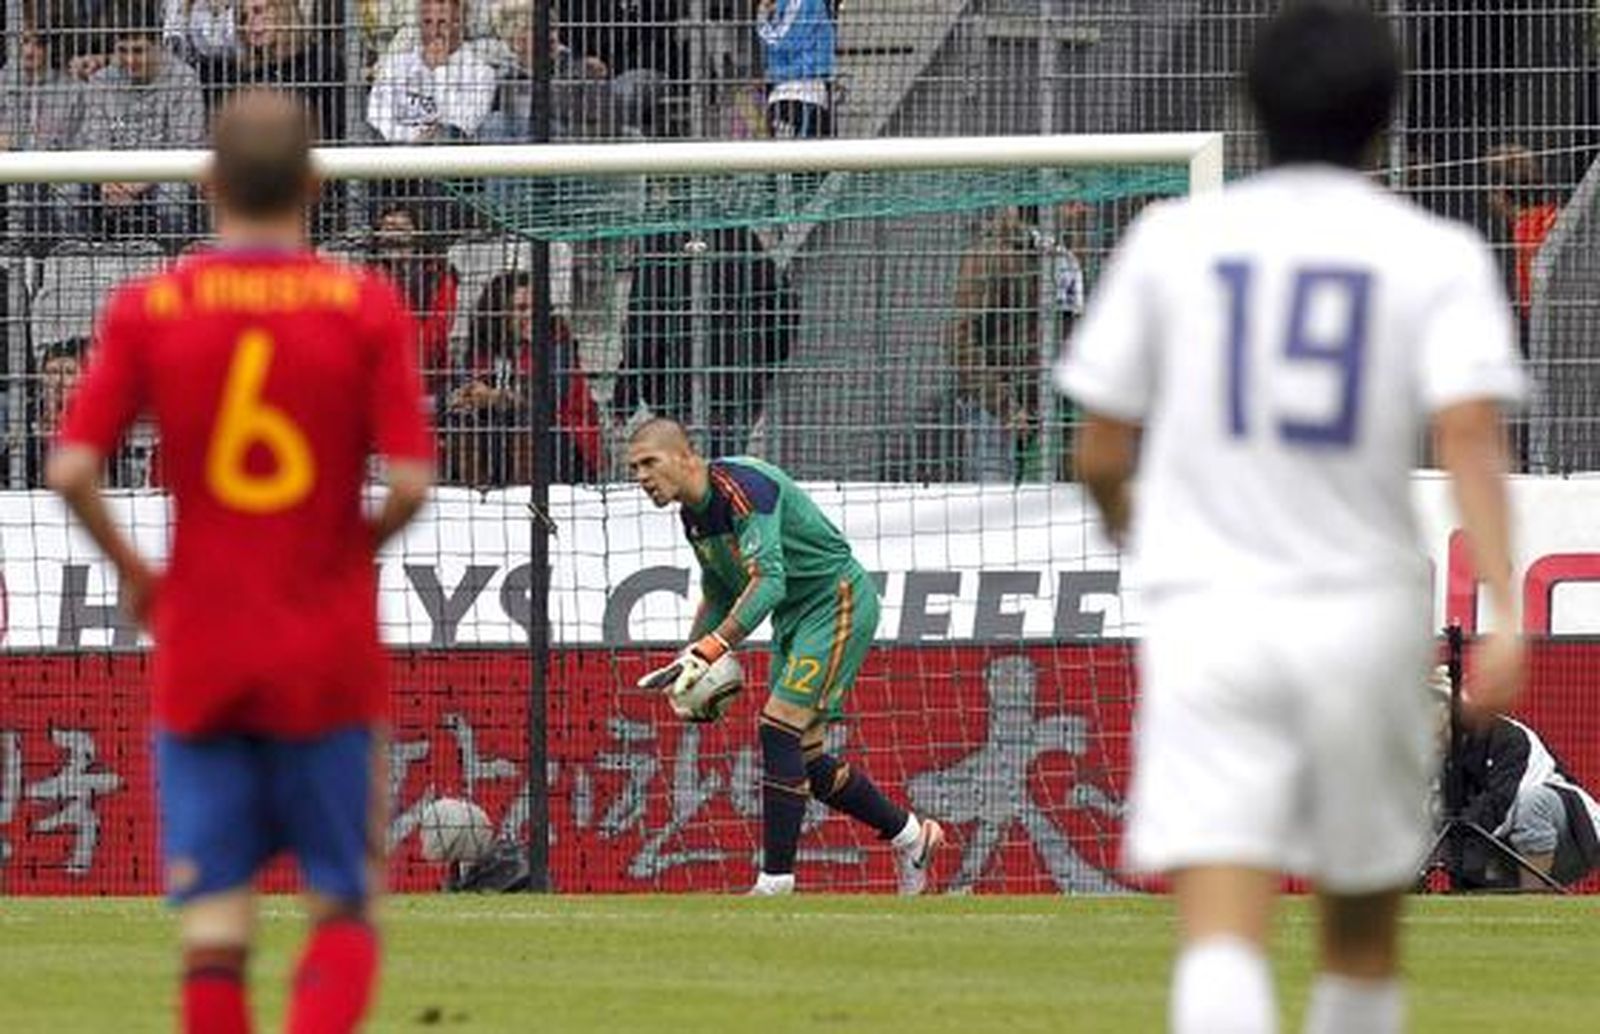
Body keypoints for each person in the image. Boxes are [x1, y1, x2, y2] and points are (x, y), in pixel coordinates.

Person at [1056, 5, 1526, 1033]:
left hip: (1212, 608)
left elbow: (1095, 449)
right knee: (1360, 927)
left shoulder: (1173, 240)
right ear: (1381, 113)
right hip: (1360, 614)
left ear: (1251, 106)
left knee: (1221, 921)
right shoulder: (1434, 251)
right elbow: (1470, 442)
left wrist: (1149, 529)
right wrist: (1503, 608)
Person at [46, 89, 434, 1034]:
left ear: (209, 183)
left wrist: (142, 578)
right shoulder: (363, 304)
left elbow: (71, 467)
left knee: (215, 921)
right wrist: (349, 554)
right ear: (313, 183)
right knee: (343, 900)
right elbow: (415, 480)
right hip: (326, 645)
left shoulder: (154, 304)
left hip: (203, 639)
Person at [626, 417, 943, 895]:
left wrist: (714, 647)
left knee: (777, 729)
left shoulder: (744, 486)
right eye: (633, 468)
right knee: (806, 760)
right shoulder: (693, 513)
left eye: (649, 462)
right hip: (793, 621)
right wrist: (688, 654)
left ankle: (775, 881)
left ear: (686, 456)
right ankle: (913, 837)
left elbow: (769, 581)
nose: (641, 476)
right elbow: (717, 588)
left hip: (836, 601)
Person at [1430, 669, 1600, 890]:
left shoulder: (1508, 737)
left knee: (1533, 801)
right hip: (1501, 851)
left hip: (1573, 840)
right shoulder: (1426, 756)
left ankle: (1532, 900)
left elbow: (1503, 803)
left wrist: (1453, 843)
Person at [443, 270, 602, 485]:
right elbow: (467, 384)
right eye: (520, 309)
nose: (531, 315)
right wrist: (466, 395)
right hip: (503, 437)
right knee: (460, 416)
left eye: (536, 309)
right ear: (499, 312)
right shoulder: (484, 347)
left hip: (564, 439)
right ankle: (476, 494)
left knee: (525, 417)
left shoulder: (555, 339)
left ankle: (524, 496)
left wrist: (496, 396)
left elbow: (547, 396)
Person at [75, 4, 206, 239]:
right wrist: (109, 178)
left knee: (172, 193)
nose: (129, 60)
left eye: (138, 51)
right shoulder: (101, 81)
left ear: (158, 47)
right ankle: (81, 263)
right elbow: (94, 141)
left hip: (162, 178)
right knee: (69, 190)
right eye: (122, 50)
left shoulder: (184, 79)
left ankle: (173, 265)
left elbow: (185, 146)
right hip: (111, 178)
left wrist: (138, 182)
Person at [365, 0, 497, 143]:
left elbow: (462, 125)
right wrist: (415, 138)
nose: (434, 32)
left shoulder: (481, 72)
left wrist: (440, 70)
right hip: (395, 153)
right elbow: (376, 117)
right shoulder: (396, 64)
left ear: (459, 25)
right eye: (427, 22)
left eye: (442, 23)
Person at [757, 0, 836, 139]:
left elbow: (779, 41)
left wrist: (762, 17)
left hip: (799, 92)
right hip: (802, 90)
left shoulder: (798, 4)